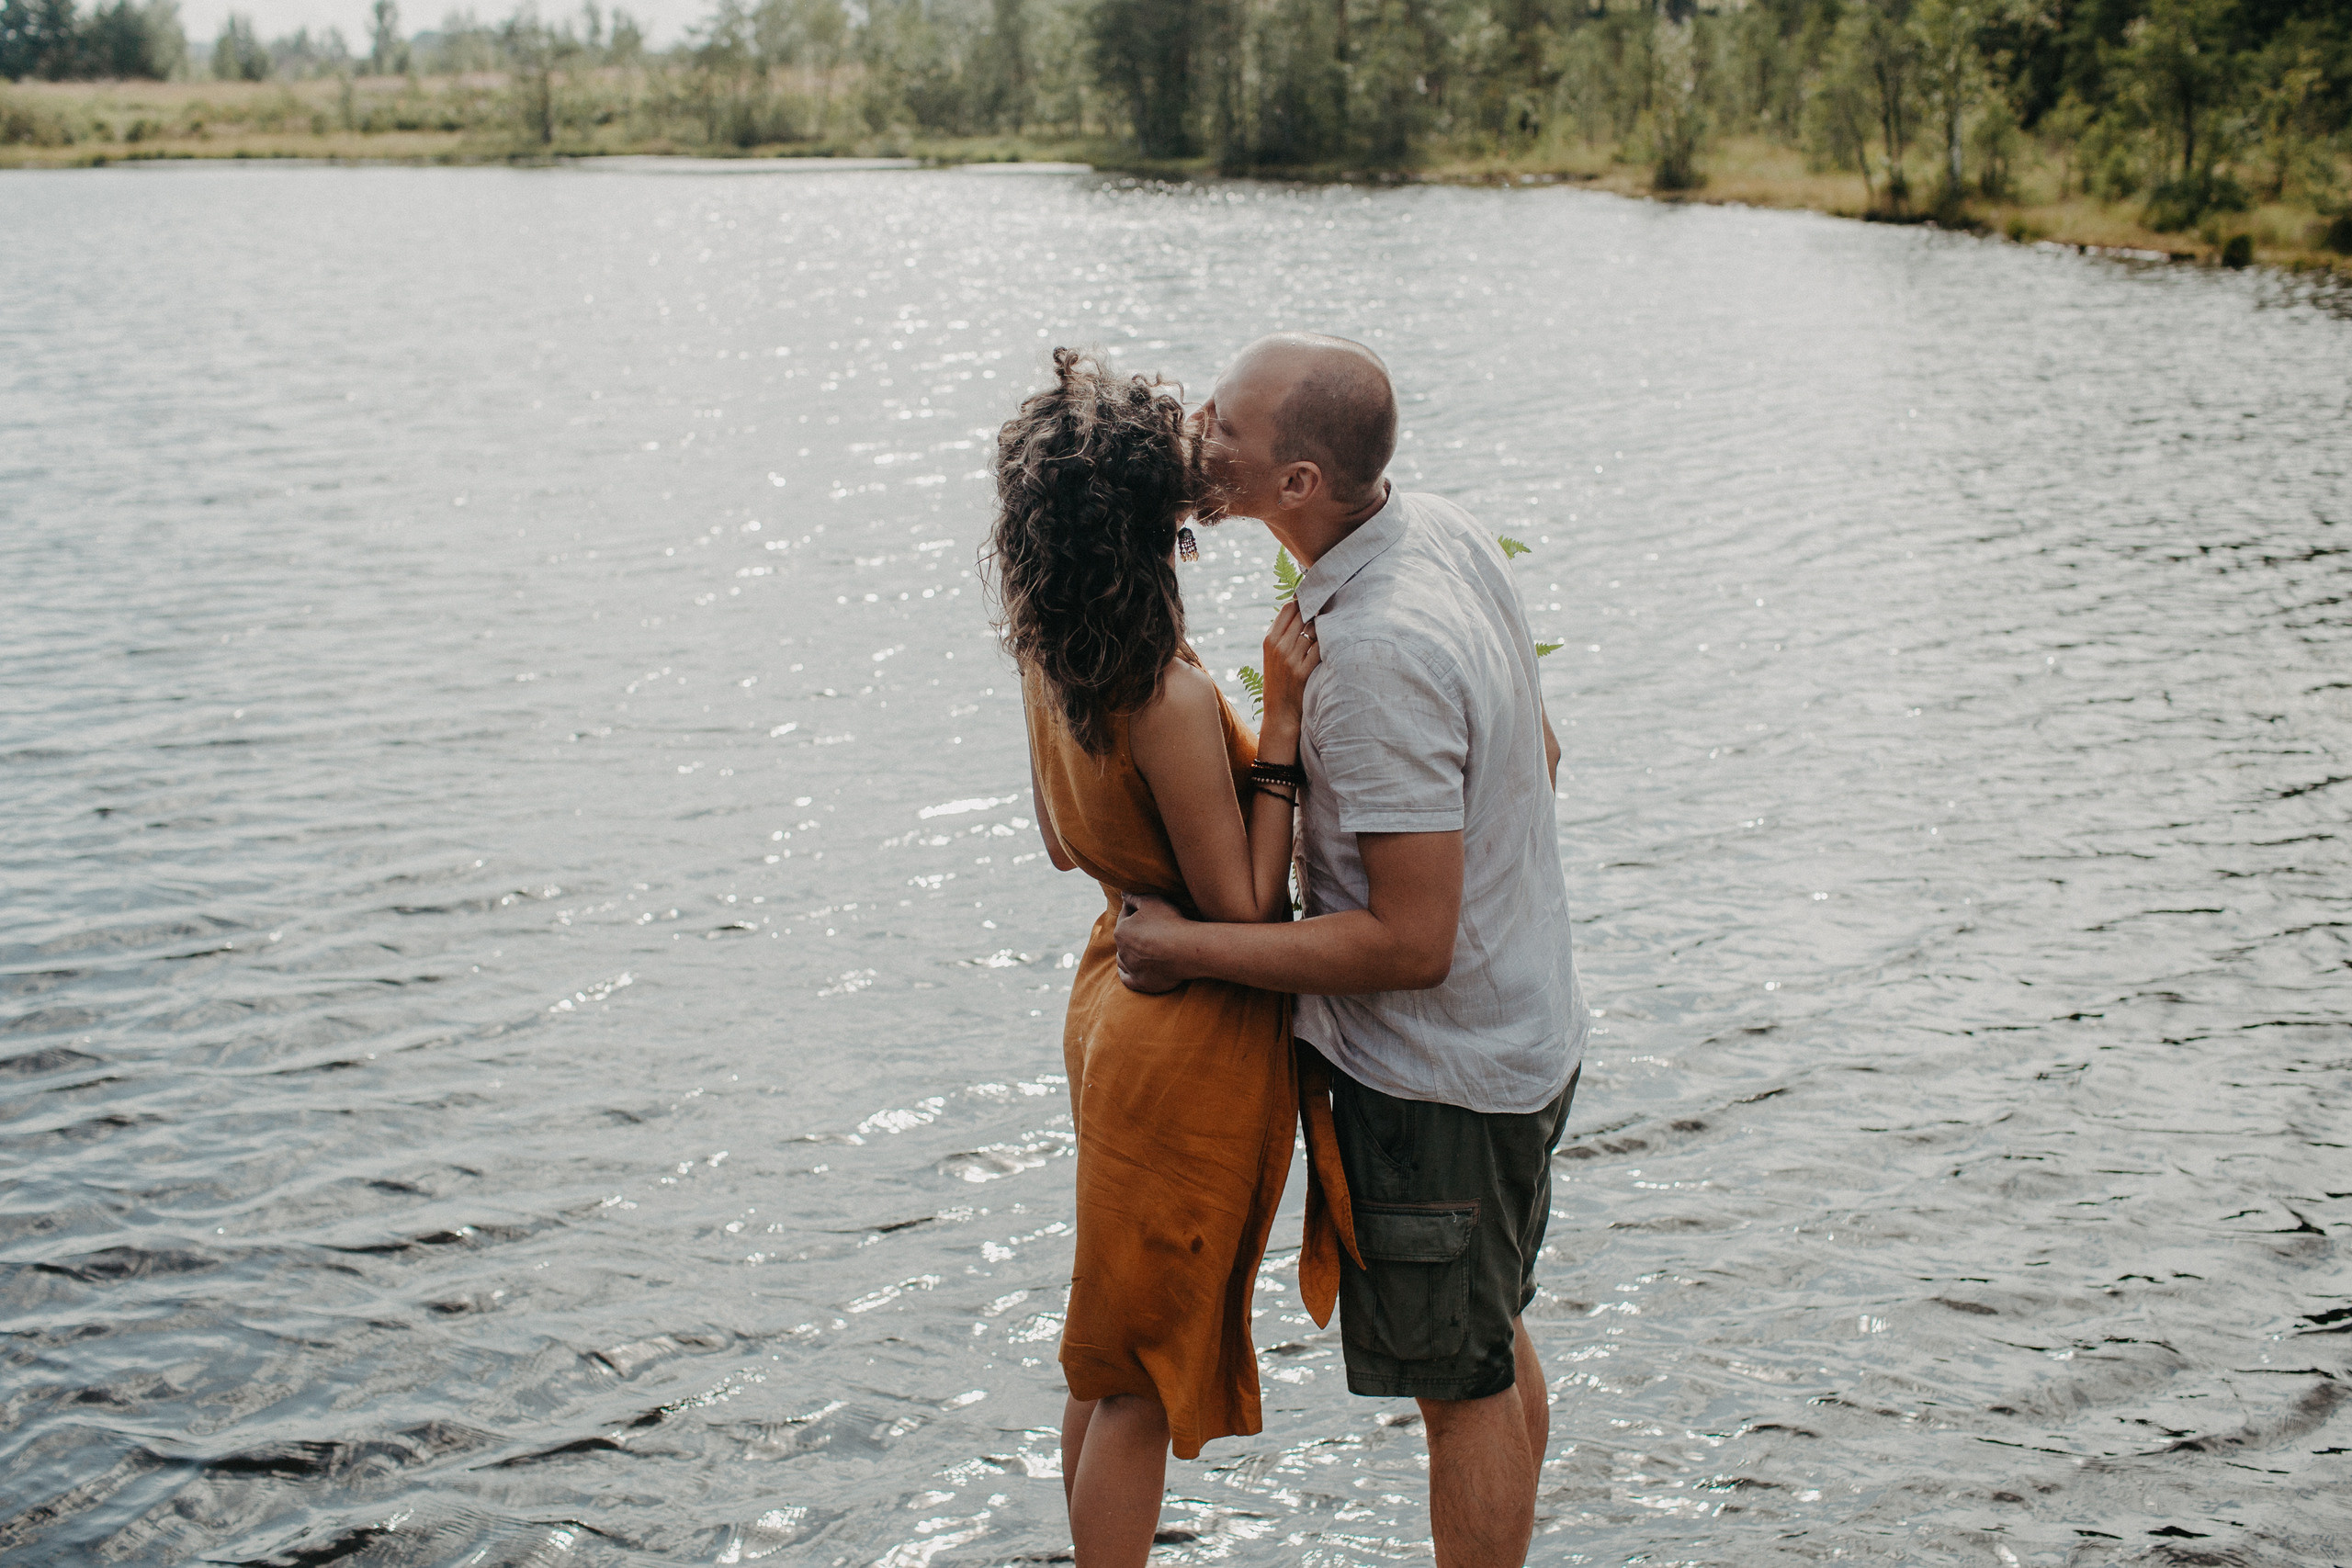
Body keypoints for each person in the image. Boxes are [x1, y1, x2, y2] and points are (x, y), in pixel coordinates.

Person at [1114, 333, 1589, 1568]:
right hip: (1523, 1036)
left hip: (1440, 1082)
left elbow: (1409, 943)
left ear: (1299, 487)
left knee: (1461, 1387)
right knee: (1487, 1335)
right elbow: (1540, 757)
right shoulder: (1440, 529)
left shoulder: (1370, 652)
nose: (1201, 433)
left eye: (1229, 431)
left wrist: (1201, 948)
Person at [987, 347, 1357, 1568]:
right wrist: (1285, 728)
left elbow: (1057, 842)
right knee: (1140, 1375)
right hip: (1184, 1038)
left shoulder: (1051, 655)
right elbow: (1246, 909)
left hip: (1109, 1002)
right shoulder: (1166, 698)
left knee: (1102, 1355)